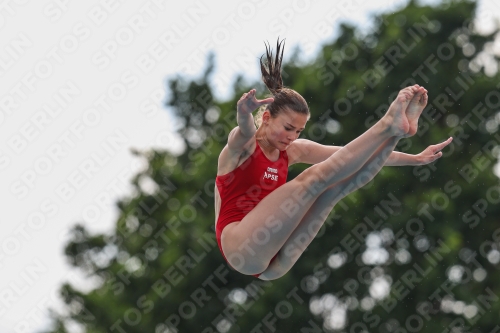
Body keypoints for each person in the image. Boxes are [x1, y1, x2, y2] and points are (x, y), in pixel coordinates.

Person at [215, 39, 452, 280]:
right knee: (313, 178)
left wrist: (415, 158)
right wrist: (243, 113)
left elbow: (351, 154)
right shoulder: (243, 147)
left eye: (298, 131)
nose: (292, 137)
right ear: (266, 118)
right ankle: (386, 124)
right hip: (241, 248)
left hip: (274, 263)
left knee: (336, 188)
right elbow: (243, 131)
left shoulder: (293, 151)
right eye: (287, 128)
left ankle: (394, 133)